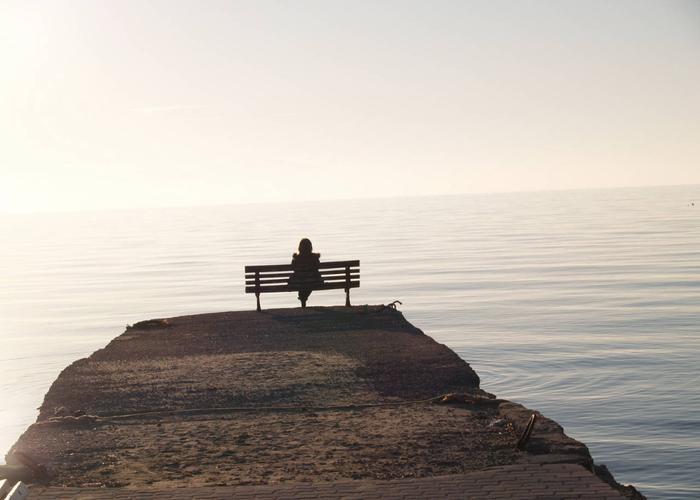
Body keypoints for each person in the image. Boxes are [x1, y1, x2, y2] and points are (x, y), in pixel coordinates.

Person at [289, 238, 322, 307]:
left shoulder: (296, 258)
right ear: (310, 247)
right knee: (309, 282)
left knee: (303, 282)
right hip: (312, 281)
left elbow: (293, 268)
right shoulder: (314, 257)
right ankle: (303, 297)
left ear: (300, 247)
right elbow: (317, 267)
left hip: (299, 282)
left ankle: (302, 298)